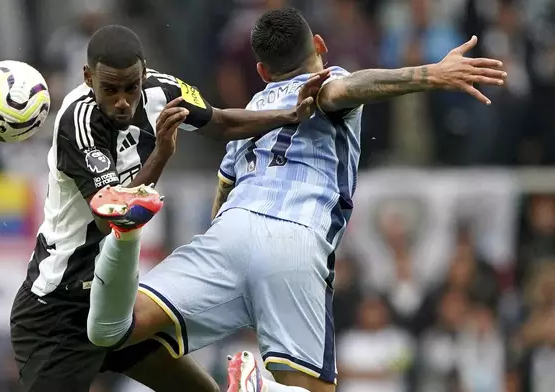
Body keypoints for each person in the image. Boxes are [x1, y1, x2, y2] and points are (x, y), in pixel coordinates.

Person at [86, 8, 507, 392]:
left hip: (228, 233)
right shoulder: (324, 82)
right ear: (319, 46)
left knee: (122, 328)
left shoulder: (250, 111)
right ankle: (262, 389)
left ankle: (109, 258)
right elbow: (344, 89)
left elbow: (222, 193)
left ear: (262, 71)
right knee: (311, 390)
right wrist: (432, 74)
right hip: (294, 240)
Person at [9, 24, 327, 392]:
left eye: (131, 87)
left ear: (144, 73)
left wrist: (288, 115)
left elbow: (219, 122)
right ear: (87, 78)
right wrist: (161, 154)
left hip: (114, 305)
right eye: (109, 90)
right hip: (57, 312)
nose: (123, 101)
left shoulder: (166, 91)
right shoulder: (77, 123)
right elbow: (109, 216)